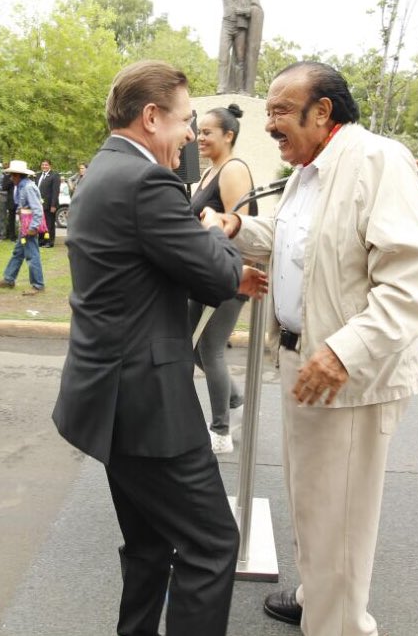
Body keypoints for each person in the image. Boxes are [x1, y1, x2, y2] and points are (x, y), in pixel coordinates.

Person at [205, 61, 418, 635]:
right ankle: (320, 600)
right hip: (302, 361)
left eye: (281, 112)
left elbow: (409, 285)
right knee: (314, 502)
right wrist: (238, 229)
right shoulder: (310, 172)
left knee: (341, 518)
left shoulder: (377, 162)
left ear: (323, 111)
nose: (270, 126)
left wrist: (342, 353)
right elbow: (299, 245)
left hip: (349, 375)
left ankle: (336, 624)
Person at [52, 60, 262, 636]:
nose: (191, 134)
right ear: (151, 117)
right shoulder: (148, 182)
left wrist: (202, 245)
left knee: (149, 543)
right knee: (212, 544)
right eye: (186, 120)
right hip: (148, 405)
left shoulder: (103, 170)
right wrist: (217, 231)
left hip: (111, 398)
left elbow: (148, 267)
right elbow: (215, 277)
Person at [186, 103, 258, 455]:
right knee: (189, 343)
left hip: (230, 274)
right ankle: (233, 397)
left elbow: (238, 229)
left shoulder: (233, 170)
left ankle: (220, 432)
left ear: (228, 135)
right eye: (199, 131)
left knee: (209, 348)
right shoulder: (207, 172)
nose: (199, 137)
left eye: (207, 132)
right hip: (205, 273)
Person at [175, 0, 264, 95]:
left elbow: (257, 9)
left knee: (240, 60)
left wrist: (245, 11)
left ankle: (240, 88)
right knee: (223, 57)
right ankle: (222, 87)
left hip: (241, 27)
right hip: (227, 24)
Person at [0, 160, 45, 295]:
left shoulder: (27, 188)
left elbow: (37, 209)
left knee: (32, 255)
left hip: (29, 227)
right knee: (18, 252)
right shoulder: (23, 186)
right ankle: (9, 279)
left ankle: (38, 285)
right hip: (25, 226)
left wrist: (33, 227)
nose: (10, 178)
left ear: (17, 175)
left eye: (12, 175)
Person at [36, 160, 60, 248]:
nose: (44, 166)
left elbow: (55, 191)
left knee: (49, 224)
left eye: (46, 165)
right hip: (39, 204)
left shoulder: (54, 175)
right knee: (41, 223)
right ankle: (41, 240)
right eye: (43, 165)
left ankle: (49, 242)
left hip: (49, 205)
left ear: (50, 166)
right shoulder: (38, 175)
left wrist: (53, 205)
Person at [0, 167, 17, 241]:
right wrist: (11, 180)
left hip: (12, 198)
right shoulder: (4, 176)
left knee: (12, 218)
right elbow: (2, 187)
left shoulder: (17, 176)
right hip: (3, 197)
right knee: (2, 217)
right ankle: (2, 236)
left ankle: (12, 236)